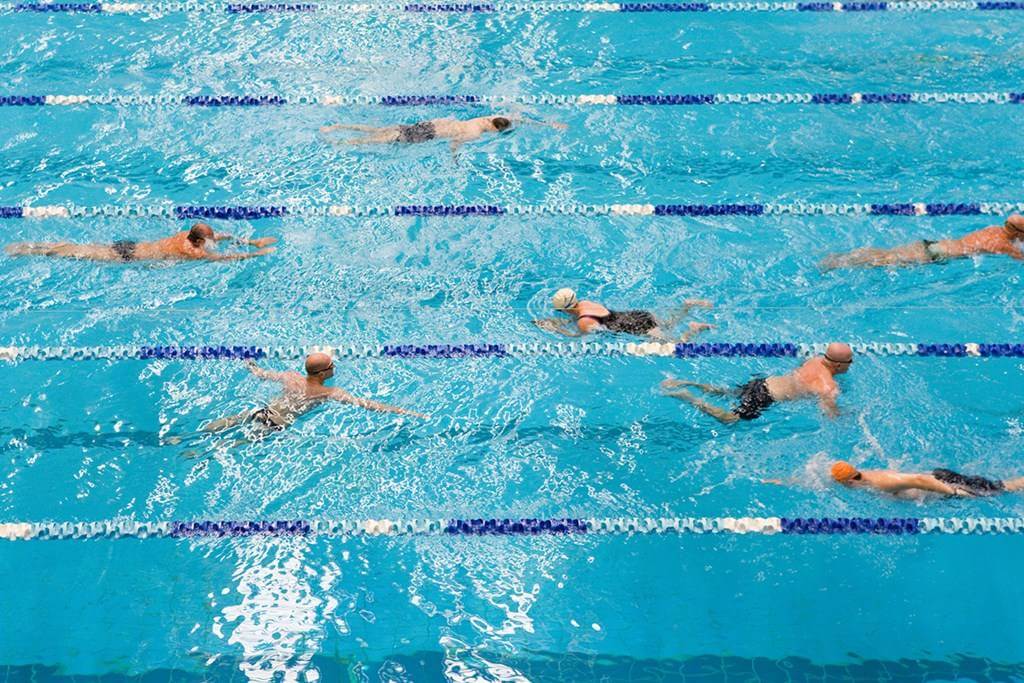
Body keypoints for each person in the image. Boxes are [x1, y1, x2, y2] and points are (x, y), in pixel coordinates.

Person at [202, 353, 428, 435]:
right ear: (323, 373)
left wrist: (250, 364)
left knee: (231, 421)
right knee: (234, 445)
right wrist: (406, 412)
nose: (334, 367)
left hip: (263, 410)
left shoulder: (290, 376)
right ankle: (197, 455)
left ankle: (182, 438)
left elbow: (261, 374)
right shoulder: (328, 392)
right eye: (332, 365)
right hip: (277, 424)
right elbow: (368, 404)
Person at [660, 342, 853, 423]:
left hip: (763, 383)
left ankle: (686, 382)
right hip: (766, 397)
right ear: (836, 365)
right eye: (849, 361)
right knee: (730, 420)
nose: (850, 364)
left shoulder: (816, 359)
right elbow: (830, 415)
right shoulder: (828, 387)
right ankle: (687, 396)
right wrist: (847, 415)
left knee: (724, 392)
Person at [821, 215, 1024, 270]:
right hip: (938, 254)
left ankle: (842, 257)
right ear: (1016, 232)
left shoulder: (994, 230)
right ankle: (838, 263)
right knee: (887, 261)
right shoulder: (1002, 244)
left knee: (888, 253)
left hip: (935, 244)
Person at [4, 223, 276, 263]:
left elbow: (221, 239)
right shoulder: (190, 250)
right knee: (78, 254)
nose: (214, 238)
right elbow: (223, 259)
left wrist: (251, 240)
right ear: (198, 240)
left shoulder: (187, 234)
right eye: (210, 237)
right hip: (130, 256)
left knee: (80, 249)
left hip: (134, 245)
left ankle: (39, 246)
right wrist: (257, 254)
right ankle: (28, 249)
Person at [534, 288, 714, 341]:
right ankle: (687, 306)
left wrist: (557, 330)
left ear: (565, 309)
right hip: (638, 315)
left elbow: (580, 337)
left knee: (675, 345)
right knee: (667, 324)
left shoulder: (584, 321)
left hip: (635, 327)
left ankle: (694, 329)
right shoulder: (585, 303)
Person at [320, 114, 567, 152]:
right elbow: (453, 146)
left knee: (385, 130)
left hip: (431, 124)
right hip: (426, 136)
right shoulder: (475, 134)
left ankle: (338, 126)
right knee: (378, 140)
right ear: (494, 129)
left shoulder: (486, 118)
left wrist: (548, 125)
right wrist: (455, 160)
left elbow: (518, 118)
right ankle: (344, 142)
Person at [828, 460, 1024, 499]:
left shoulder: (882, 482)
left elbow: (920, 479)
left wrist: (955, 492)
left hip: (946, 485)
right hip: (940, 480)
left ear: (851, 481)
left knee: (1002, 488)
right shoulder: (862, 476)